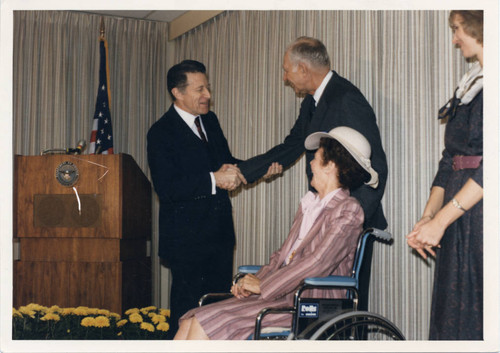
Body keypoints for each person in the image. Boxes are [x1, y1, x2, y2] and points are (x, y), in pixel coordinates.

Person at [174, 126, 379, 340]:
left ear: (331, 166)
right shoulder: (310, 204)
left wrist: (262, 285)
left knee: (205, 325)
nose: (310, 163)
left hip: (309, 302)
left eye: (316, 158)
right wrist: (251, 281)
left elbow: (317, 262)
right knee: (191, 320)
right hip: (282, 294)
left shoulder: (348, 209)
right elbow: (282, 256)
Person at [237, 36, 388, 311]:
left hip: (342, 226)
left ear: (304, 70)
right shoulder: (311, 102)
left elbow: (375, 167)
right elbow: (291, 146)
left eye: (287, 70)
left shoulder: (346, 99)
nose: (285, 77)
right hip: (322, 222)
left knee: (338, 313)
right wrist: (243, 173)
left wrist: (348, 218)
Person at [147, 60, 249, 336]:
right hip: (186, 243)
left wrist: (258, 169)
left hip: (219, 237)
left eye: (208, 88)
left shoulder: (210, 121)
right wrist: (214, 178)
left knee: (218, 314)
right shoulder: (160, 133)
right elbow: (167, 188)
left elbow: (225, 164)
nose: (208, 95)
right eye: (200, 89)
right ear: (177, 93)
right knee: (186, 314)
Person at [406, 10, 483, 340]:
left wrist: (441, 221)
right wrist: (428, 219)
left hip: (481, 216)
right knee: (451, 318)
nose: (454, 39)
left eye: (457, 30)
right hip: (458, 212)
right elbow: (449, 159)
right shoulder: (472, 84)